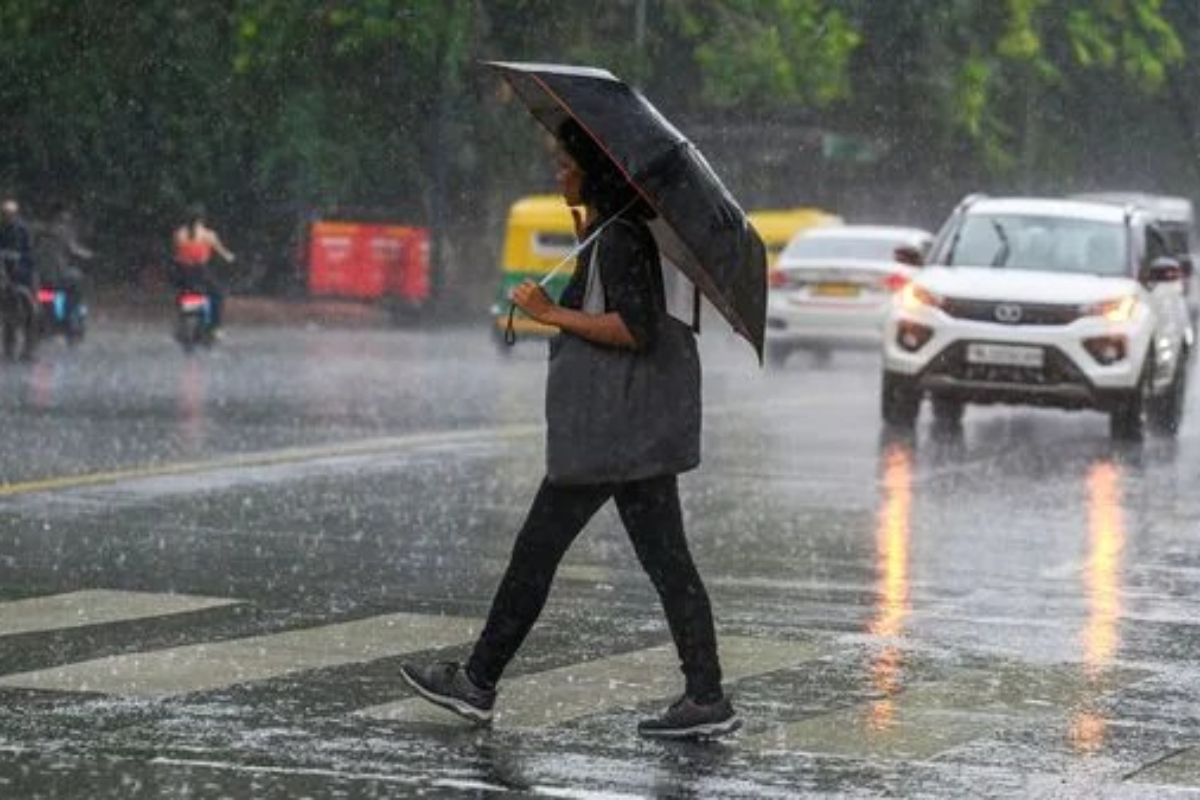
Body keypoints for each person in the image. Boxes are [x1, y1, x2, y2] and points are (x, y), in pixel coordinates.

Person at [400, 119, 740, 740]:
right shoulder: (612, 232)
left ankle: (478, 681)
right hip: (628, 432)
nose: (558, 175)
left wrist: (549, 312)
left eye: (566, 166)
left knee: (538, 553)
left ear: (595, 173)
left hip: (609, 430)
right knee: (665, 564)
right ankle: (706, 695)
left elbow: (634, 328)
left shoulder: (621, 238)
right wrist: (589, 246)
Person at [171, 204, 235, 332]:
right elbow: (224, 254)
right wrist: (230, 257)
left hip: (182, 274)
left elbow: (176, 254)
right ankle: (215, 327)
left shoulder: (178, 234)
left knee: (180, 292)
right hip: (200, 273)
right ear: (202, 219)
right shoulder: (209, 235)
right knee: (218, 295)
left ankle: (181, 318)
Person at [0, 198, 39, 360]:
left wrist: (19, 262)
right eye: (5, 214)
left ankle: (28, 349)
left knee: (31, 312)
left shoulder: (24, 230)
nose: (8, 217)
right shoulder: (1, 230)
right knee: (8, 313)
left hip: (24, 277)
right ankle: (9, 348)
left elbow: (30, 254)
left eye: (10, 214)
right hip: (5, 277)